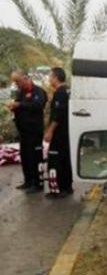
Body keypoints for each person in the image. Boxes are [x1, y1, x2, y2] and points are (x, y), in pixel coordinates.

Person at [7, 70, 47, 193]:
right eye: (15, 82)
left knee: (34, 157)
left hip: (34, 131)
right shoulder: (22, 92)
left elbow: (38, 105)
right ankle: (28, 181)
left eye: (18, 81)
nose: (17, 84)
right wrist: (14, 107)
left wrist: (20, 105)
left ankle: (37, 183)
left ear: (25, 78)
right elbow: (20, 104)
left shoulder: (38, 91)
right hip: (24, 131)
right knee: (25, 157)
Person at [44, 67, 73, 198]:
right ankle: (67, 187)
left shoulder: (60, 93)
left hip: (59, 134)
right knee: (65, 160)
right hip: (67, 133)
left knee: (55, 161)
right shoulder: (68, 90)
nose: (49, 79)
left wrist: (50, 131)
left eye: (50, 77)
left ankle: (58, 190)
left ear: (55, 78)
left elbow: (58, 115)